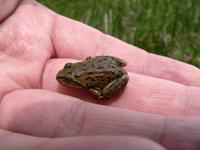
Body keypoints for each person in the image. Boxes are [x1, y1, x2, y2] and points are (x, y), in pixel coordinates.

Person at [0, 0, 200, 149]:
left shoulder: (84, 83)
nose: (64, 78)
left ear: (76, 81)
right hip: (108, 63)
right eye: (68, 73)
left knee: (101, 94)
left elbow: (103, 84)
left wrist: (99, 92)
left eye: (68, 78)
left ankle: (106, 92)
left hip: (113, 73)